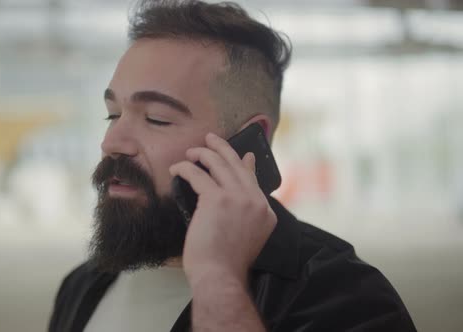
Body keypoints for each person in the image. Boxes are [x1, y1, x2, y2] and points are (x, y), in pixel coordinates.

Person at [48, 1, 417, 331]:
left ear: (246, 143)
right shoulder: (83, 284)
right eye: (112, 114)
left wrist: (218, 278)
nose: (112, 143)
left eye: (157, 118)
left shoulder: (346, 298)